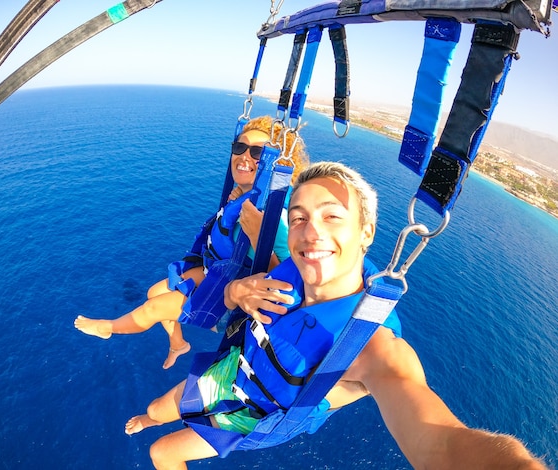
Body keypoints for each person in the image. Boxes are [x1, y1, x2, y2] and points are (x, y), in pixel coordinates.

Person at [123, 161, 546, 469]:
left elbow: (445, 446)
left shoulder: (373, 346)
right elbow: (243, 289)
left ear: (366, 233)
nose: (312, 232)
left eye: (332, 216)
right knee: (158, 410)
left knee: (163, 453)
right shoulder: (285, 273)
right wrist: (236, 290)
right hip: (230, 373)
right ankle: (148, 418)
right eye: (299, 218)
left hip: (257, 416)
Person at [74, 116, 309, 368]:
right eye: (239, 148)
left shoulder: (278, 218)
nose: (244, 156)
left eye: (258, 152)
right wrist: (239, 197)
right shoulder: (247, 196)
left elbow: (288, 282)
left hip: (237, 296)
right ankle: (178, 344)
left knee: (152, 309)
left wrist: (256, 234)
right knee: (154, 292)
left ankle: (108, 328)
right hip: (222, 270)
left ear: (276, 164)